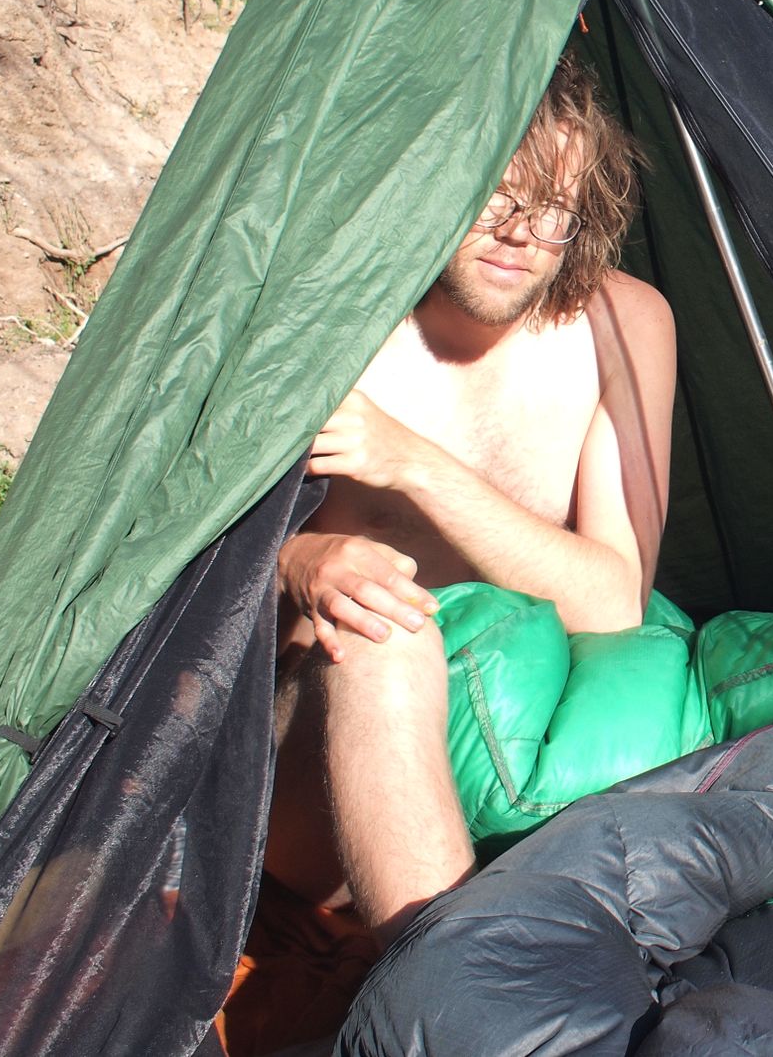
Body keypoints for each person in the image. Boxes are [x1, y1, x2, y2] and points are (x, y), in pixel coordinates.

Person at [260, 53, 676, 948]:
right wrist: (302, 563)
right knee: (381, 631)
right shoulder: (332, 318)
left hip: (516, 742)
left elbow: (614, 600)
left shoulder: (624, 323)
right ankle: (462, 1003)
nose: (523, 234)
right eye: (497, 196)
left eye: (556, 209)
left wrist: (411, 463)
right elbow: (171, 568)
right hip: (315, 769)